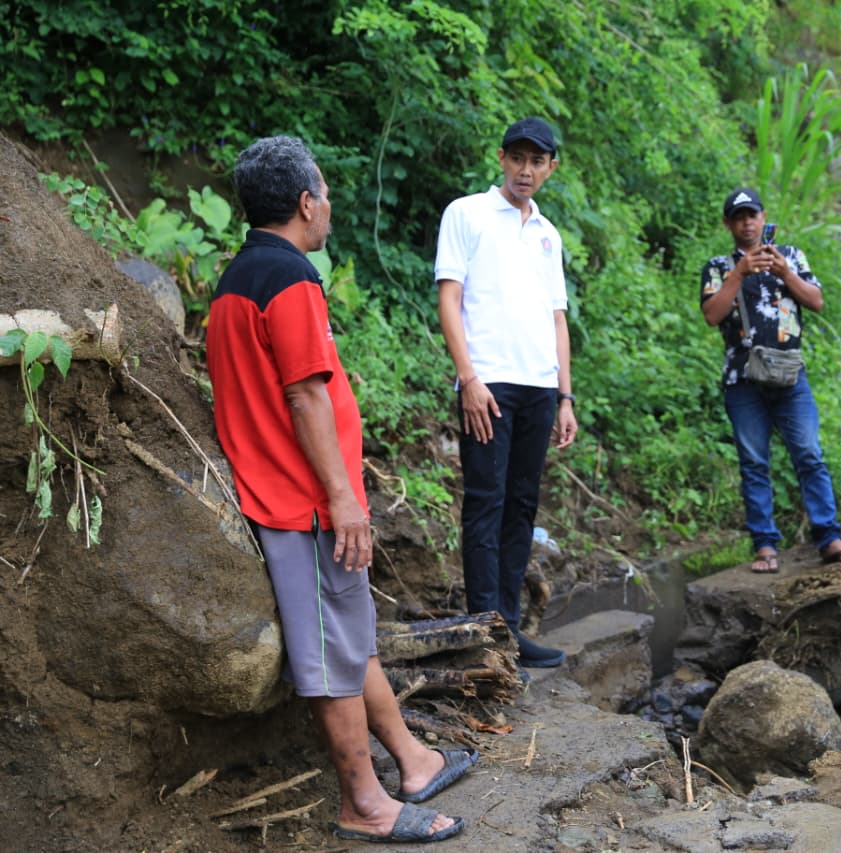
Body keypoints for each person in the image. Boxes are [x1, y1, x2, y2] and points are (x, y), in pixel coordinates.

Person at [207, 136, 474, 844]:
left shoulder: (239, 276)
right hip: (300, 502)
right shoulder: (289, 278)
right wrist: (343, 499)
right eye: (324, 192)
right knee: (328, 654)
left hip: (298, 494)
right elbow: (304, 395)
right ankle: (364, 799)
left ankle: (413, 762)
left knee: (351, 639)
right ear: (304, 202)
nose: (330, 205)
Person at [435, 117, 577, 669]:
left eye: (536, 161)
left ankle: (510, 631)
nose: (526, 170)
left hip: (541, 388)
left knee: (521, 507)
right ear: (501, 159)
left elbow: (557, 319)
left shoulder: (548, 234)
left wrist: (565, 397)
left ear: (550, 168)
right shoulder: (466, 213)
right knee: (485, 504)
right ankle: (482, 631)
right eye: (517, 158)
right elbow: (451, 298)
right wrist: (468, 378)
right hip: (487, 383)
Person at [700, 187, 841, 574]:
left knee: (809, 454)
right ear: (728, 224)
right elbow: (712, 314)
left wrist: (784, 273)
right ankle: (765, 546)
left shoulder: (790, 256)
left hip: (790, 375)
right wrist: (739, 273)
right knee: (754, 461)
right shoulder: (718, 265)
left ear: (764, 218)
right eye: (739, 217)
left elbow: (816, 301)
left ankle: (829, 537)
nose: (747, 223)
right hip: (742, 378)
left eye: (752, 215)